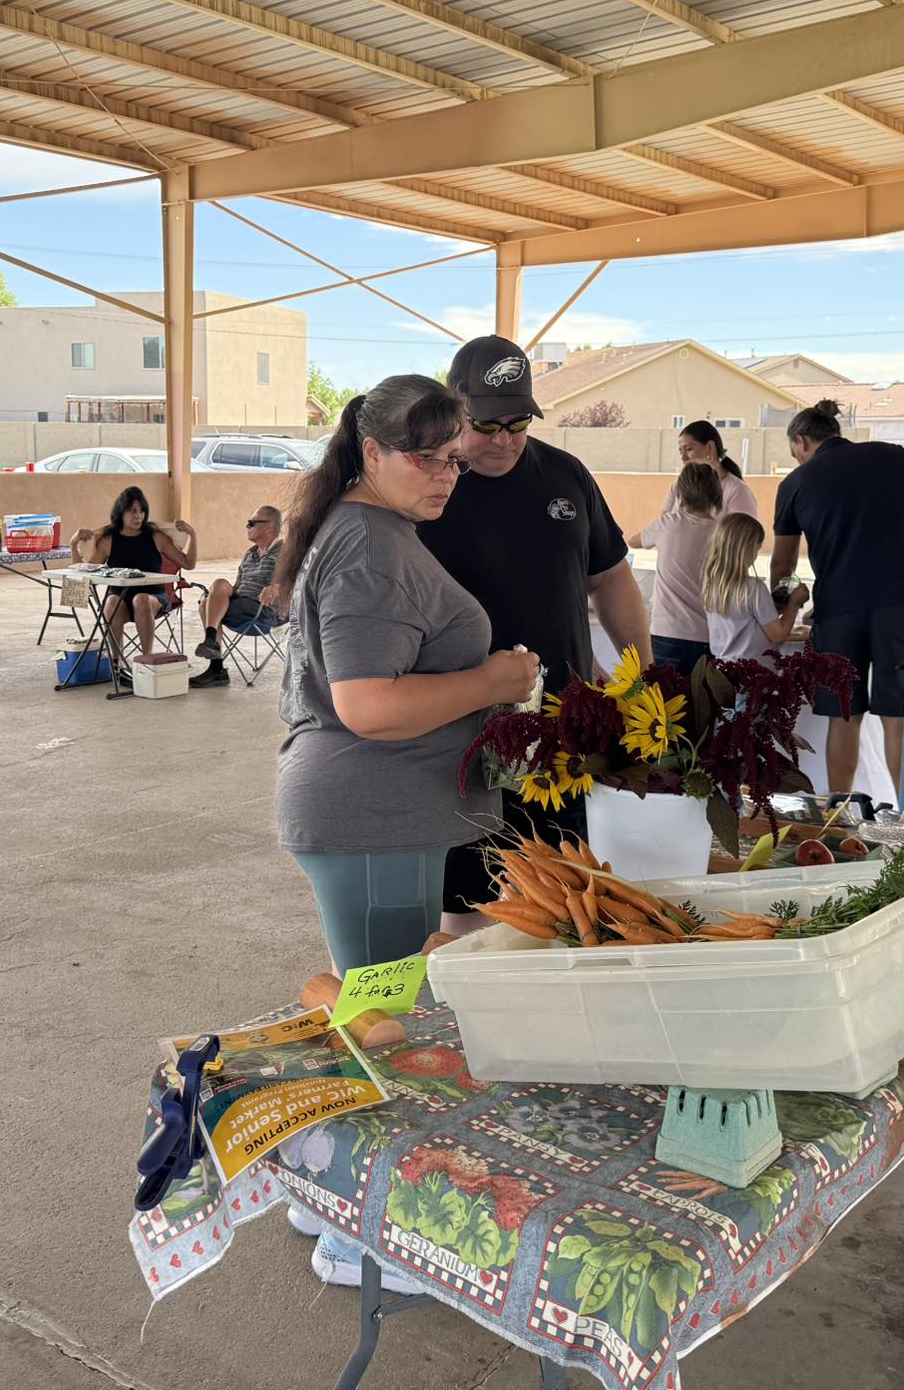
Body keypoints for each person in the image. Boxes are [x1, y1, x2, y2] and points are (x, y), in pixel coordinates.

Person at [275, 374, 538, 1289]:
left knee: (369, 1011)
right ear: (371, 451)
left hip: (380, 820)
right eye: (422, 456)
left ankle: (320, 1190)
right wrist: (496, 682)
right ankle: (359, 1241)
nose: (444, 473)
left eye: (452, 456)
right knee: (383, 1024)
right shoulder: (368, 547)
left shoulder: (372, 531)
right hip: (371, 817)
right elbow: (367, 704)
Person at [420, 335, 650, 927]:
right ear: (454, 407)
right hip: (462, 730)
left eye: (517, 421)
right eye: (486, 424)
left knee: (563, 889)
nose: (503, 439)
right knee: (468, 899)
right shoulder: (426, 484)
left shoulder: (566, 474)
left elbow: (614, 580)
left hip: (559, 731)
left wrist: (639, 677)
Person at [769, 396, 904, 796]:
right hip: (899, 607)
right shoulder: (891, 456)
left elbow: (781, 566)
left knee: (844, 716)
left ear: (802, 442)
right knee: (897, 715)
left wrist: (787, 603)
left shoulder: (794, 484)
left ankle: (841, 812)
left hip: (837, 612)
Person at [72, 486, 197, 670]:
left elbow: (188, 564)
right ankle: (115, 661)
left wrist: (193, 535)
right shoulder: (109, 540)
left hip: (154, 598)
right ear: (120, 512)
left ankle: (147, 660)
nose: (138, 516)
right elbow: (83, 572)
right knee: (111, 601)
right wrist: (73, 543)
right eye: (132, 511)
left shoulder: (155, 536)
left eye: (141, 511)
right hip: (120, 599)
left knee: (141, 599)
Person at [628, 461, 722, 674]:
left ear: (680, 493)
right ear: (717, 493)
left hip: (666, 632)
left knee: (665, 703)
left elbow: (634, 541)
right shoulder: (723, 531)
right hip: (711, 634)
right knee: (704, 704)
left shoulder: (667, 524)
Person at [190, 503, 285, 688]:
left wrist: (277, 587)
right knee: (214, 591)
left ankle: (216, 664)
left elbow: (297, 581)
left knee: (211, 606)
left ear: (269, 526)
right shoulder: (249, 555)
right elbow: (237, 587)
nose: (247, 526)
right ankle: (213, 654)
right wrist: (215, 594)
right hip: (242, 605)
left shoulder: (286, 552)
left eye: (252, 523)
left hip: (265, 610)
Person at [702, 513, 806, 663]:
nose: (756, 556)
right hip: (754, 674)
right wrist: (794, 603)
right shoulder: (754, 588)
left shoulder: (712, 584)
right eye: (756, 550)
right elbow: (778, 634)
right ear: (745, 549)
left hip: (724, 670)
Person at [665, 420, 759, 519]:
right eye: (681, 452)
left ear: (710, 447)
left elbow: (745, 533)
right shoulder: (678, 487)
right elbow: (664, 524)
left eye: (688, 449)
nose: (683, 457)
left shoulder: (737, 490)